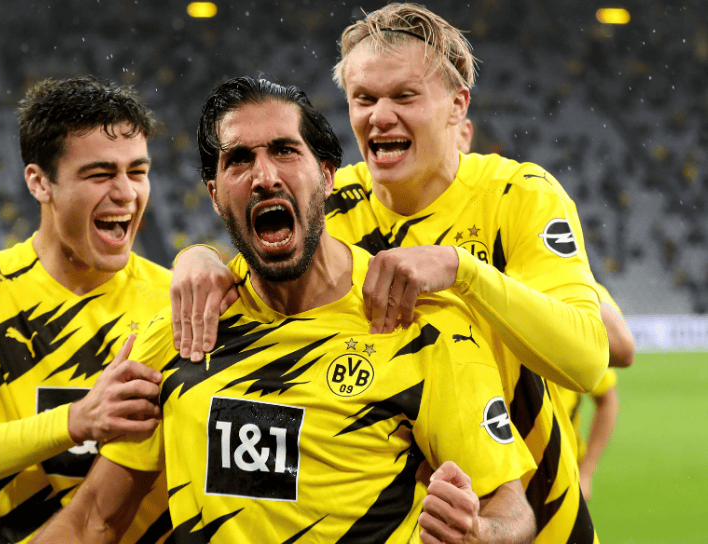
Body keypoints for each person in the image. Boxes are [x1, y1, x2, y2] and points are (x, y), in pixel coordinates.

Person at [168, 4, 612, 543]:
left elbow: (588, 361)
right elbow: (255, 261)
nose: (380, 116)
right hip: (411, 519)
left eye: (404, 96)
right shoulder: (329, 203)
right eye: (364, 98)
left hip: (533, 513)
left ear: (457, 105)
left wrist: (462, 269)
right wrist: (198, 255)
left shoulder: (516, 196)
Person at [31, 76, 536, 544]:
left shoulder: (422, 325)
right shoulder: (183, 335)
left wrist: (480, 532)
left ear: (327, 175)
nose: (264, 176)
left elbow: (511, 509)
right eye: (238, 160)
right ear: (215, 196)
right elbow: (93, 520)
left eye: (284, 150)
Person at [0, 76, 173, 544]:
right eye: (100, 174)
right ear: (40, 182)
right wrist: (76, 420)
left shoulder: (175, 302)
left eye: (137, 171)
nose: (127, 192)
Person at [553, 283, 633, 501]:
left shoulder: (573, 295)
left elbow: (607, 399)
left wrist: (586, 472)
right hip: (500, 469)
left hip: (561, 470)